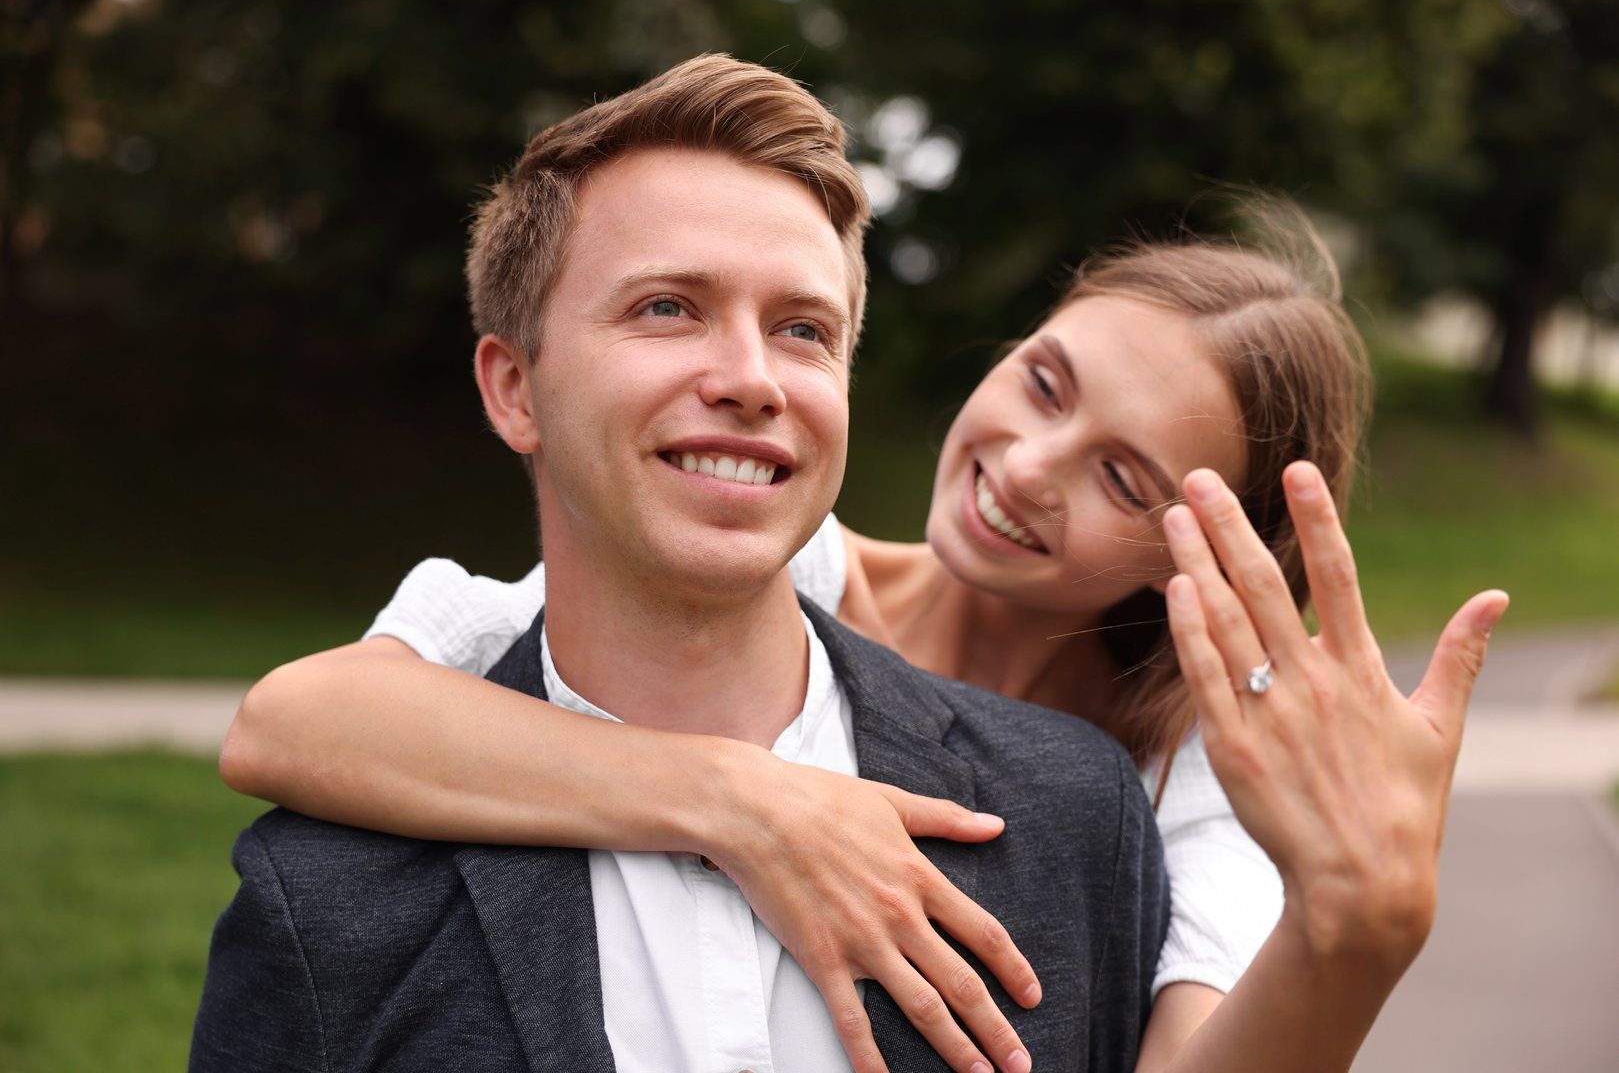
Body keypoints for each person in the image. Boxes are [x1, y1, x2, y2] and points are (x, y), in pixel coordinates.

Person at [216, 76, 1508, 1073]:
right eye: (1043, 384)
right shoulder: (779, 558)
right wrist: (746, 799)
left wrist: (1359, 932)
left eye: (1127, 480)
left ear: (1210, 568)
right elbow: (297, 719)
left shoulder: (1147, 798)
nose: (1029, 466)